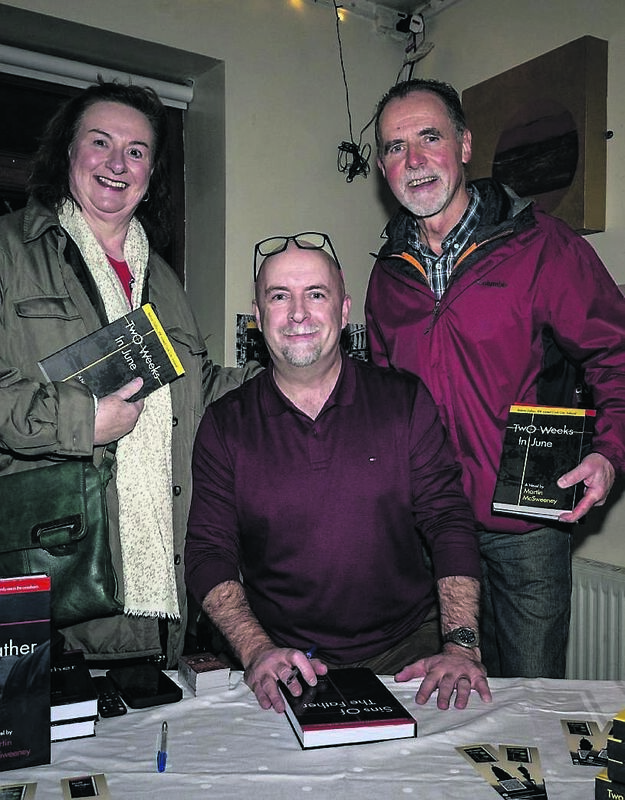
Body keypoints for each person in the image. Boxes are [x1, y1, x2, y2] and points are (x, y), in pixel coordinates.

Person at [365, 77, 625, 678]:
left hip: (525, 530)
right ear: (383, 167)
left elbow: (616, 353)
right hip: (426, 531)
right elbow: (382, 403)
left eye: (429, 137)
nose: (415, 160)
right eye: (396, 147)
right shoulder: (387, 276)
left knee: (525, 716)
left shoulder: (543, 247)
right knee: (434, 709)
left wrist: (611, 452)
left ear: (463, 145)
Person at [0, 80, 259, 667]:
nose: (118, 163)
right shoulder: (9, 251)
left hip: (160, 590)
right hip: (50, 583)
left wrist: (292, 374)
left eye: (137, 151)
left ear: (150, 172)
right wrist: (82, 420)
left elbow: (192, 393)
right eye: (100, 142)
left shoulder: (163, 280)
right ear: (68, 152)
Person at [185, 232, 491, 713]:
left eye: (316, 294)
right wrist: (255, 649)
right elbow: (208, 552)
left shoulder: (403, 402)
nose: (299, 313)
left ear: (344, 310)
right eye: (279, 296)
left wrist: (461, 644)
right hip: (282, 660)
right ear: (258, 317)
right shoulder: (225, 424)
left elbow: (449, 521)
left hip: (410, 654)